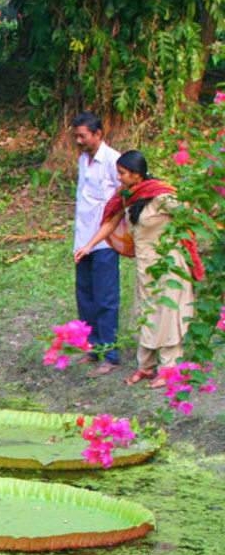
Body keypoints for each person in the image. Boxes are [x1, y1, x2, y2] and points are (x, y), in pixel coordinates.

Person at [75, 150, 197, 388]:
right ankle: (146, 367)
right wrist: (88, 246)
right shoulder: (128, 196)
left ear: (136, 174)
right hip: (145, 266)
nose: (118, 177)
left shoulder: (162, 197)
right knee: (146, 313)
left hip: (169, 265)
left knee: (167, 315)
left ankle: (169, 369)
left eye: (122, 173)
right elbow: (111, 221)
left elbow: (190, 216)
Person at [70, 111, 121, 375]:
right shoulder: (83, 160)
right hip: (82, 240)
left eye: (83, 135)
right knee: (85, 296)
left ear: (98, 134)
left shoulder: (113, 161)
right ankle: (92, 347)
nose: (78, 140)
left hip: (105, 241)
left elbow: (123, 197)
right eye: (76, 135)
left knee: (105, 297)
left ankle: (110, 354)